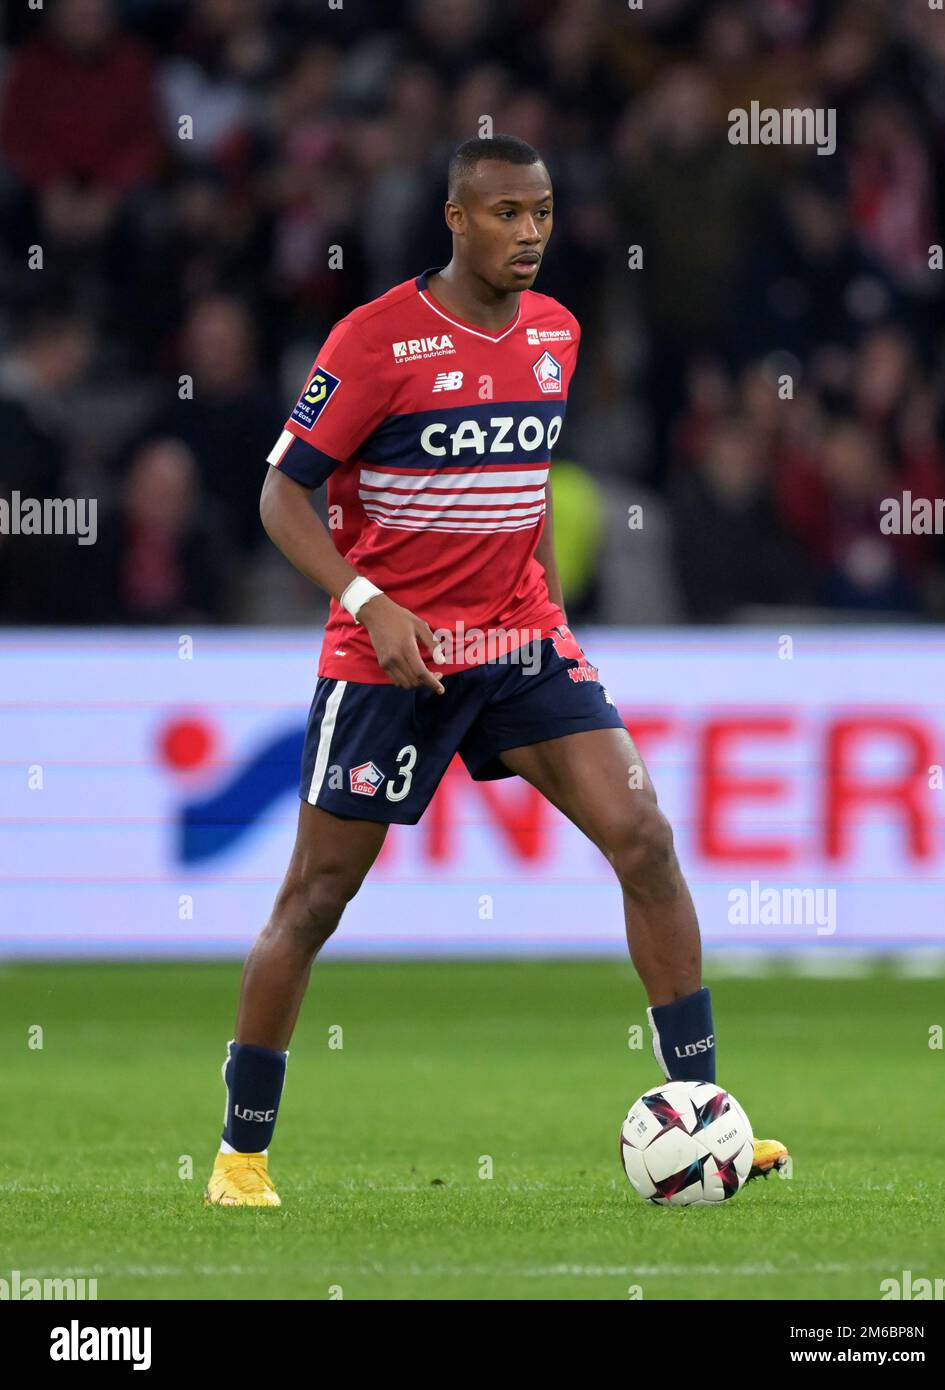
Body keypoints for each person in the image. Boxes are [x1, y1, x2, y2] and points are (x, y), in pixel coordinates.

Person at [205, 135, 787, 1206]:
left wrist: (535, 619)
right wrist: (370, 603)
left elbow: (512, 497)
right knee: (316, 896)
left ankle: (710, 1118)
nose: (530, 233)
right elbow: (281, 494)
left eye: (544, 212)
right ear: (456, 219)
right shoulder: (376, 340)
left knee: (646, 839)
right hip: (392, 656)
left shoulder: (558, 333)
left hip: (518, 644)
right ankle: (241, 1156)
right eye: (508, 213)